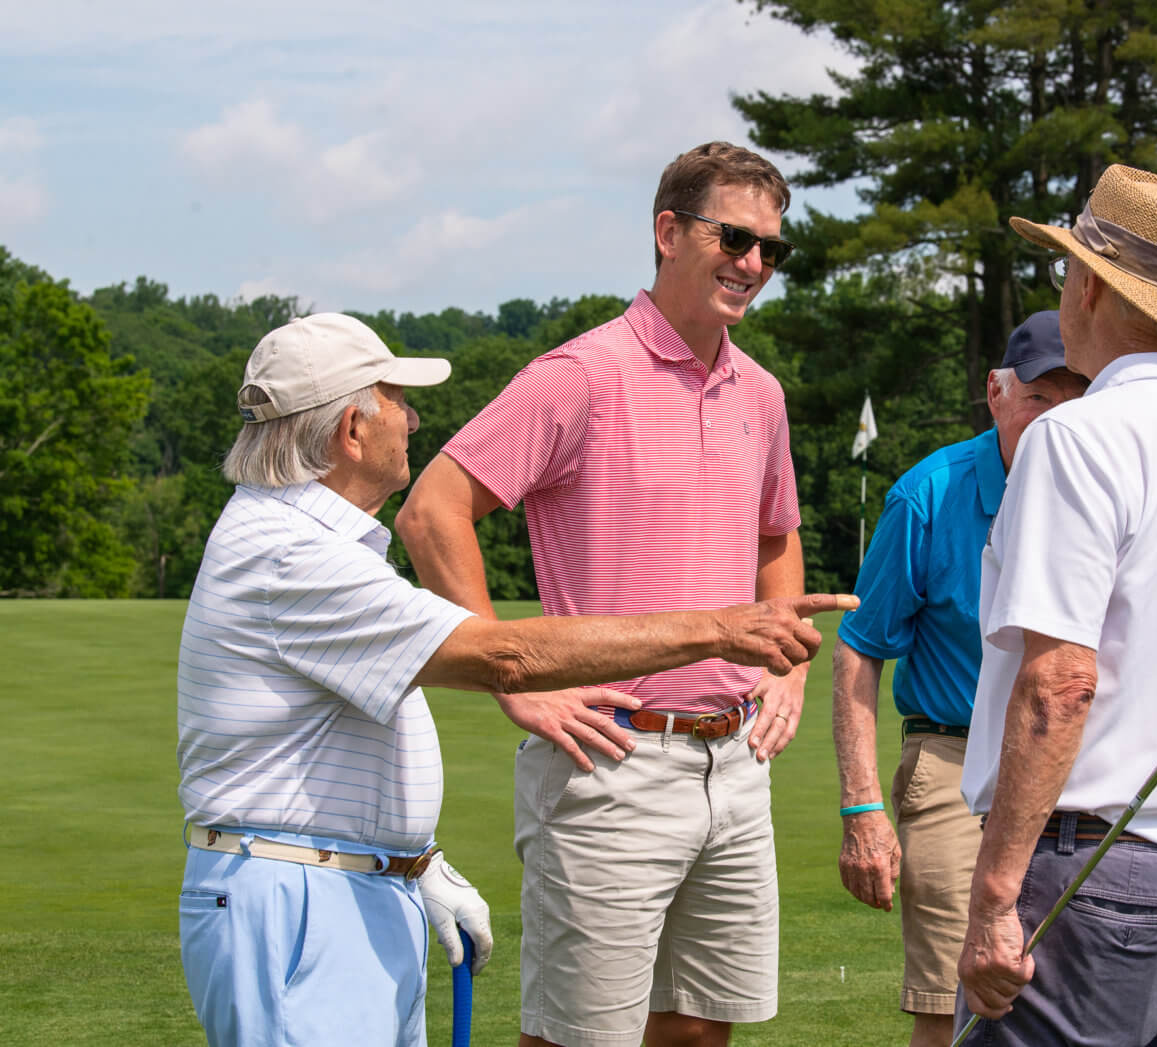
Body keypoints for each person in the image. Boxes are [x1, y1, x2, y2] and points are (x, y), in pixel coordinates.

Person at [178, 312, 850, 1047]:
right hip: (301, 900)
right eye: (397, 399)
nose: (414, 417)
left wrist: (411, 862)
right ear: (350, 429)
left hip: (340, 881)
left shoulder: (298, 539)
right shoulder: (292, 555)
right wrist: (722, 630)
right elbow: (501, 657)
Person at [396, 142, 806, 1047]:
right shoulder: (580, 374)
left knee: (702, 1028)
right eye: (735, 237)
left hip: (735, 764)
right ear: (668, 232)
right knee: (579, 1038)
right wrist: (515, 675)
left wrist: (787, 676)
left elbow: (779, 535)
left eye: (773, 249)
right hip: (611, 762)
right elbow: (432, 511)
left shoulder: (763, 394)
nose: (753, 265)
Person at [953, 163, 1157, 1045]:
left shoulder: (1075, 437)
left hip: (1087, 871)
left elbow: (1060, 683)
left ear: (1090, 283)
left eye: (1067, 270)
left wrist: (993, 898)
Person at [832, 310, 1087, 1047]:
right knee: (958, 1005)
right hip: (951, 761)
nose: (1056, 420)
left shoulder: (1108, 488)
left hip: (1078, 762)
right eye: (1040, 398)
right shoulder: (930, 494)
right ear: (996, 392)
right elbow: (859, 647)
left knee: (1071, 997)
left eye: (1077, 399)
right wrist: (863, 806)